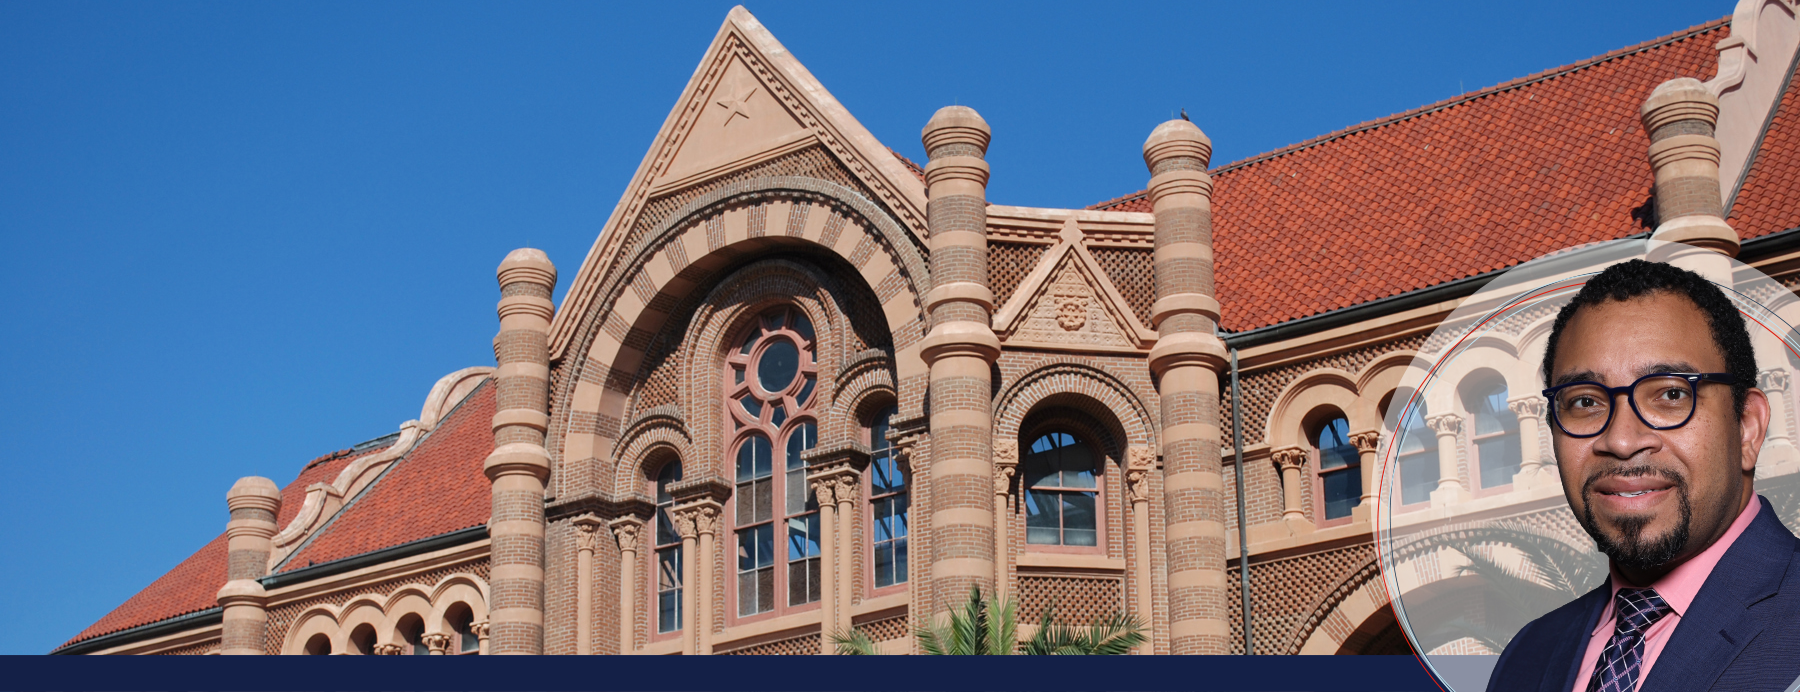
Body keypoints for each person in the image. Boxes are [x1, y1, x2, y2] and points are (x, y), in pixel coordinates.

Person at [1487, 259, 1800, 692]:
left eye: (1671, 394)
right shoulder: (1526, 657)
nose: (1621, 440)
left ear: (1747, 426)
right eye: (1584, 402)